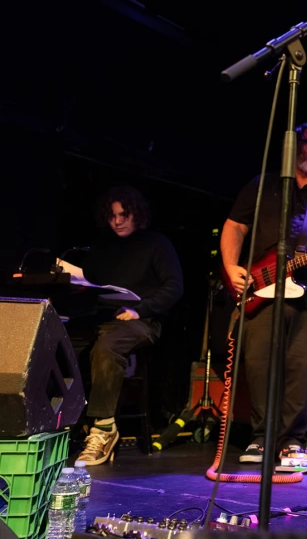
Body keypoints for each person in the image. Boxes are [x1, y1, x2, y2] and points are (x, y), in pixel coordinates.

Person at [220, 122, 307, 464]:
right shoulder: (263, 185)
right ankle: (260, 437)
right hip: (261, 289)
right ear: (293, 146)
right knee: (259, 364)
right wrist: (231, 267)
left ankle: (291, 441)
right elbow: (235, 227)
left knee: (304, 370)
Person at [75, 186, 184, 465]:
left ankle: (103, 428)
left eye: (124, 215)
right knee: (57, 341)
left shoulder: (156, 243)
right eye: (112, 216)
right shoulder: (103, 246)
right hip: (102, 317)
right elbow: (90, 281)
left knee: (108, 347)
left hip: (142, 320)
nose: (118, 221)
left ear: (137, 214)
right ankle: (60, 425)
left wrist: (140, 310)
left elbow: (174, 287)